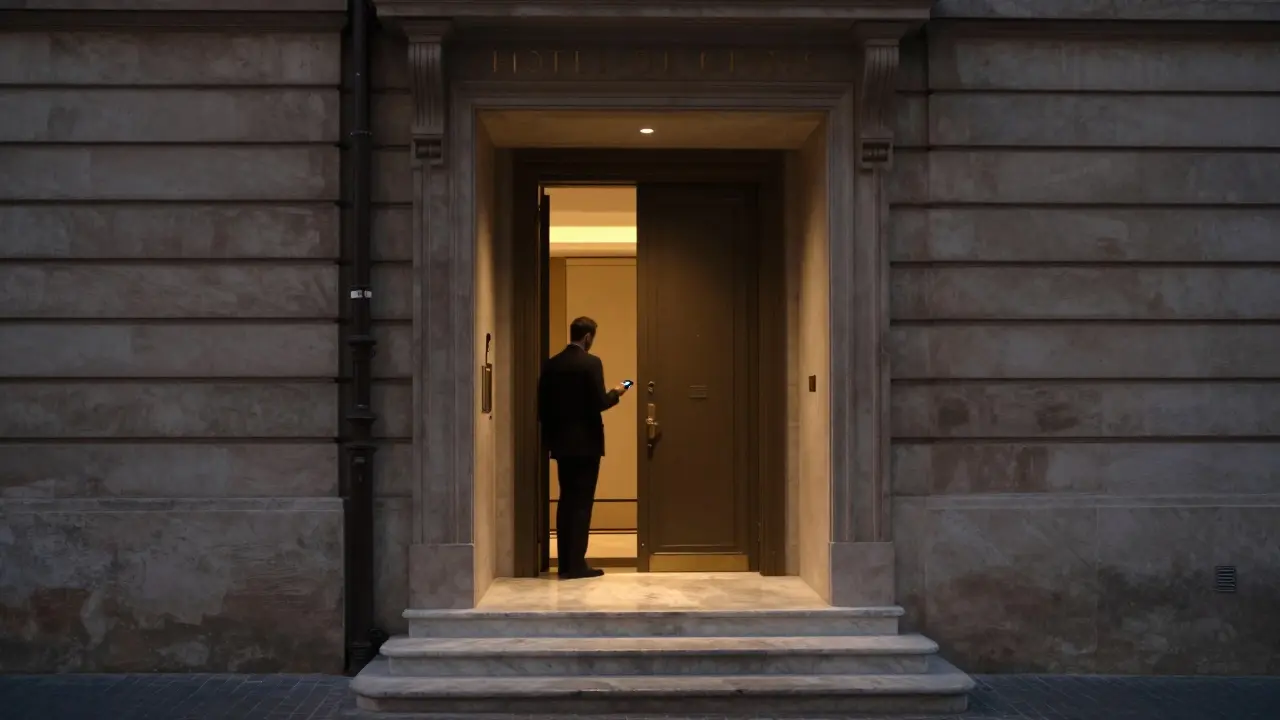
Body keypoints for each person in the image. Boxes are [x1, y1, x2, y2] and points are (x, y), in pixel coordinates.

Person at [537, 316, 630, 579]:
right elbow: (599, 402)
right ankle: (577, 564)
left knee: (566, 501)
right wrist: (617, 392)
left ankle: (564, 563)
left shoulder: (552, 364)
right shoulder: (591, 363)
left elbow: (542, 407)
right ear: (588, 337)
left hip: (561, 444)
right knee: (582, 504)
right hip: (586, 445)